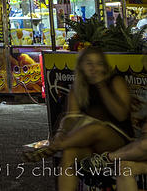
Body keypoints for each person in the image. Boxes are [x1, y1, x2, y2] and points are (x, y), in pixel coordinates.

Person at [22, 46, 133, 191]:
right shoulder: (78, 87)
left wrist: (101, 85)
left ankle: (54, 148)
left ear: (104, 65)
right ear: (81, 66)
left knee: (96, 128)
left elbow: (122, 114)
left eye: (98, 63)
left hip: (117, 140)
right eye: (89, 63)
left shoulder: (114, 80)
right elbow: (71, 117)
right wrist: (61, 133)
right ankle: (58, 147)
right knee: (69, 154)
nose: (94, 68)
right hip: (88, 142)